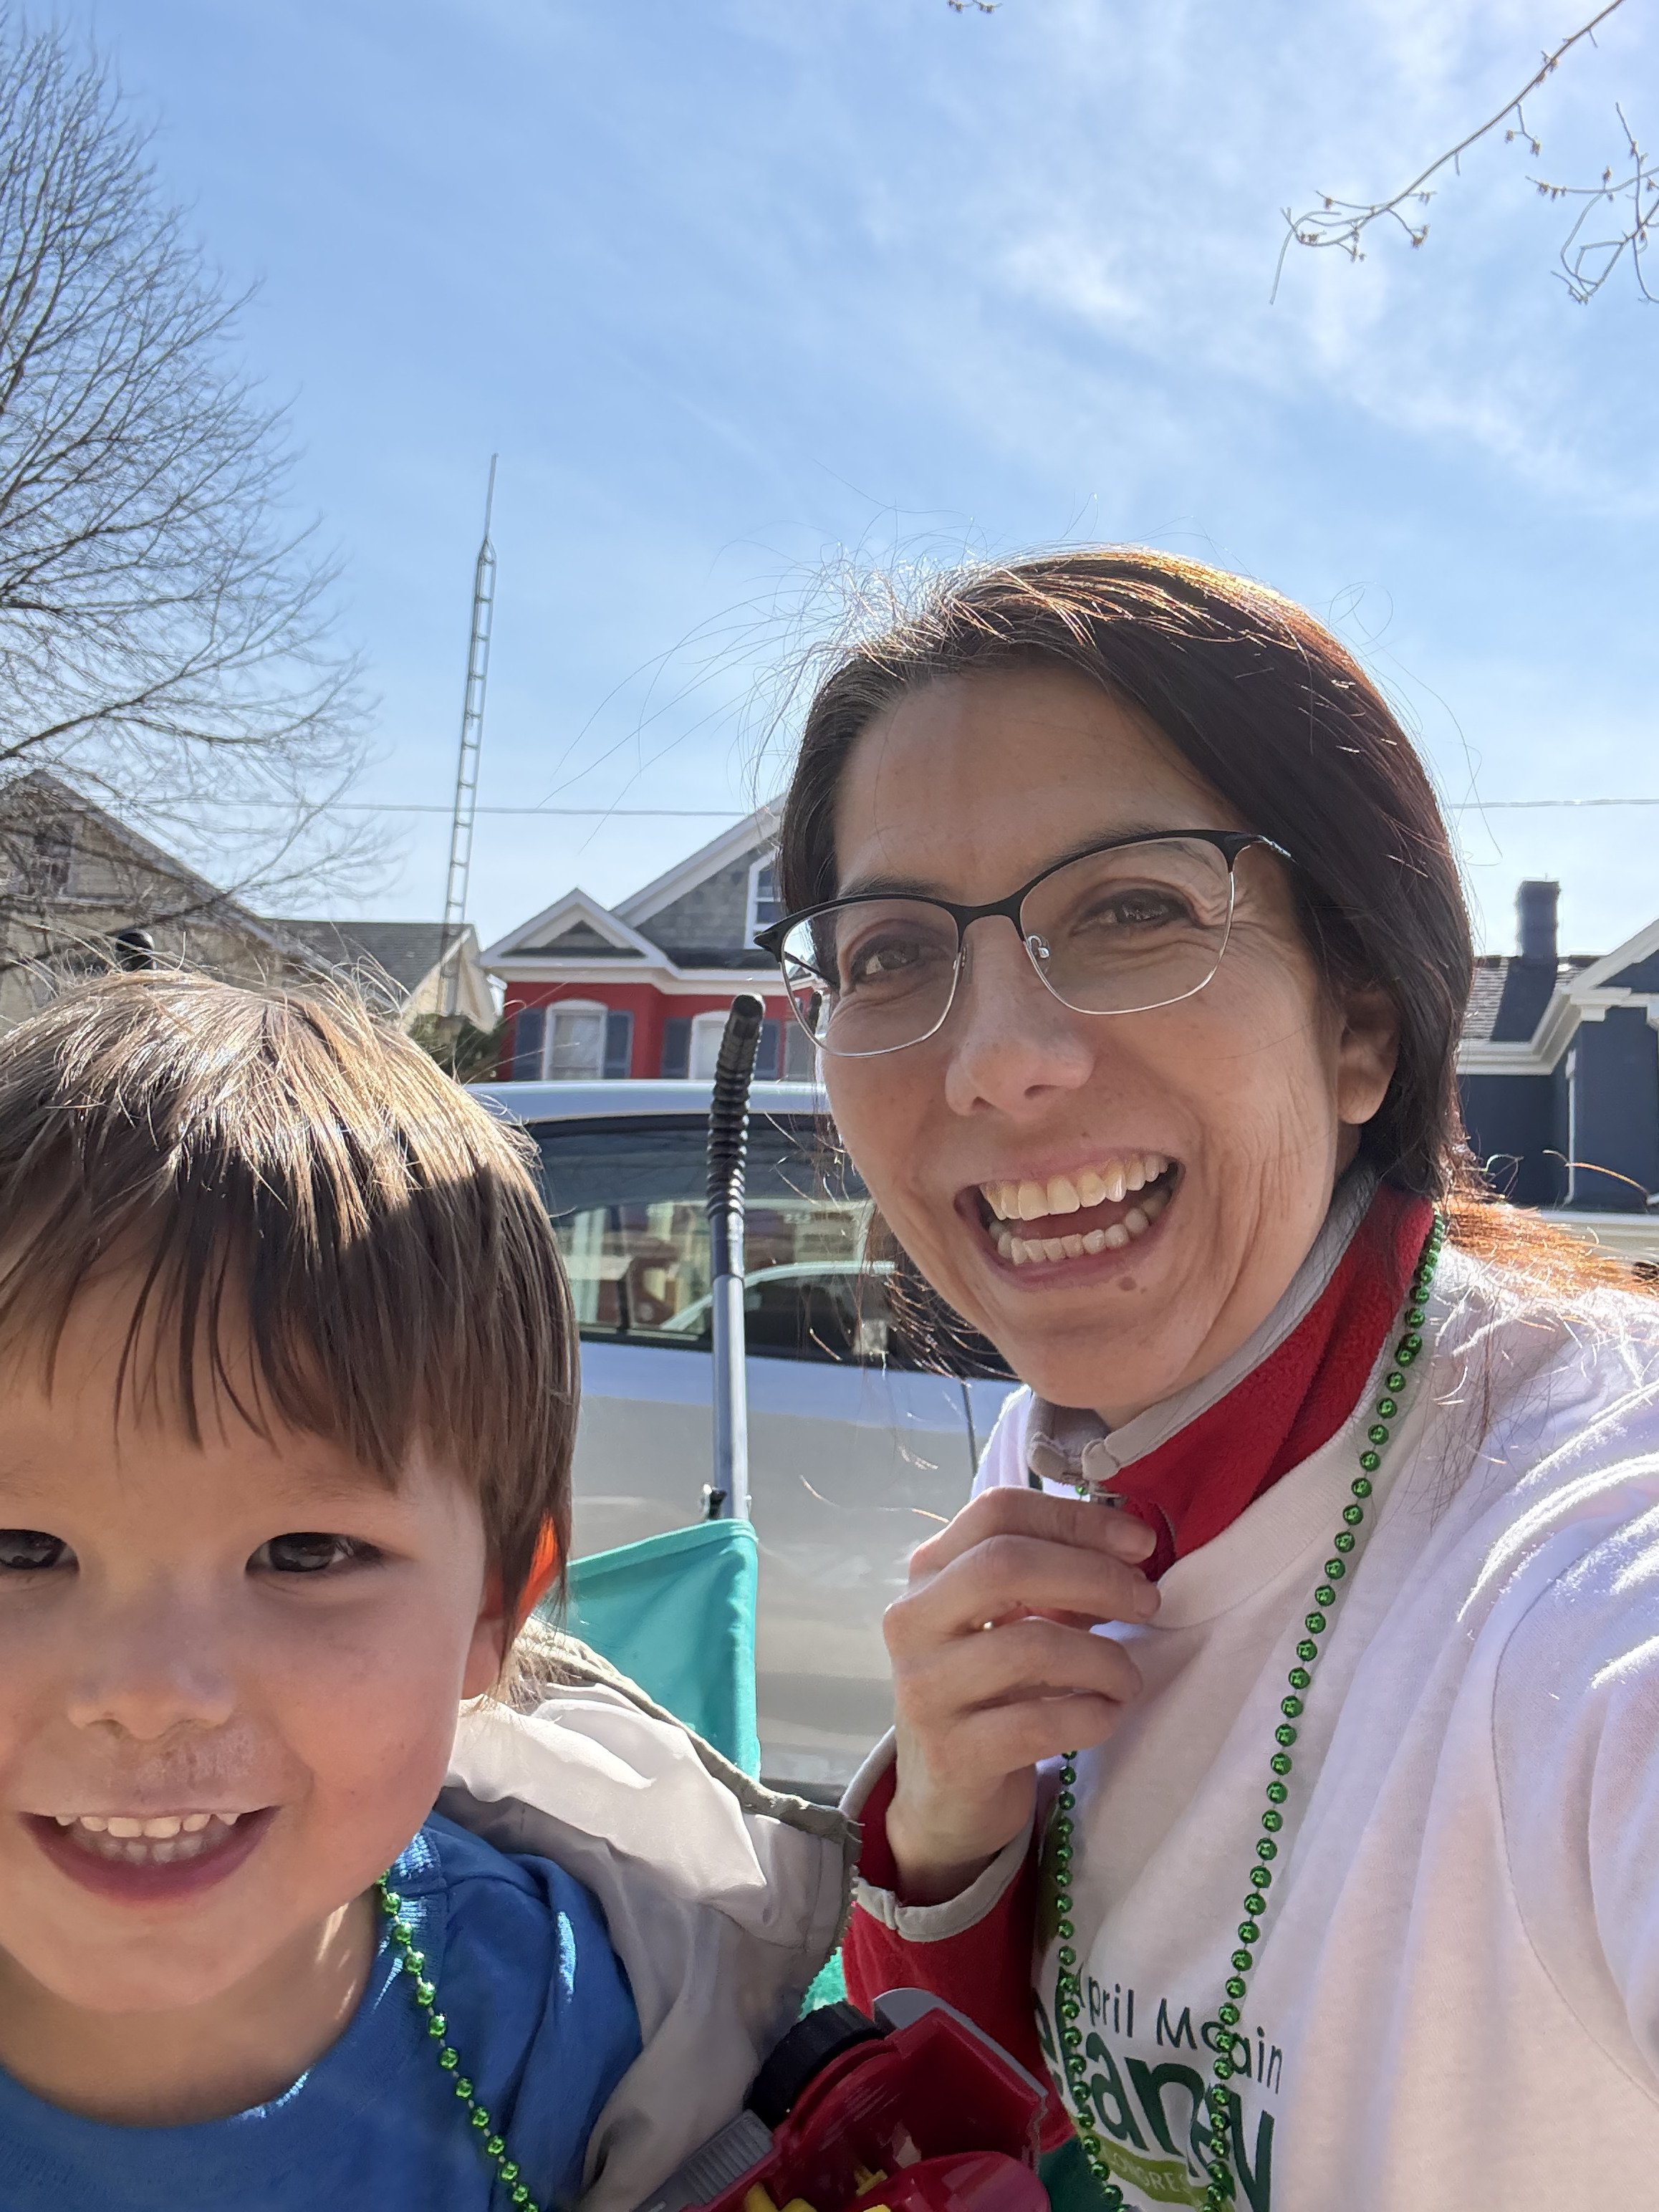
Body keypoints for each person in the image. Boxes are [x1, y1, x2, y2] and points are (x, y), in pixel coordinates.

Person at [754, 549, 1659, 2212]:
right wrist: (953, 1837)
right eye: (892, 953)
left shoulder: (1577, 1525)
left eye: (1131, 909)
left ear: (1360, 1024)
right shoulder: (1066, 1440)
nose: (997, 1055)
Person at [0, 975, 851, 2211]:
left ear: (497, 1610)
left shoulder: (596, 2039)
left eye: (303, 1554)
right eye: (21, 1547)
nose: (147, 1694)